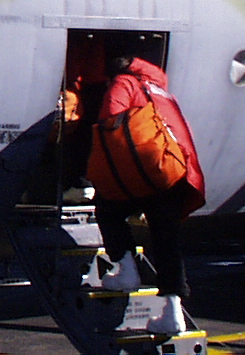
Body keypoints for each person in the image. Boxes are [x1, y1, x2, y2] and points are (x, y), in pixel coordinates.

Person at [92, 55, 205, 334]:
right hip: (172, 170)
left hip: (146, 170)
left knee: (106, 210)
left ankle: (126, 270)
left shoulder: (123, 83)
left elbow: (111, 119)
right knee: (166, 239)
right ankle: (172, 312)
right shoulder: (157, 86)